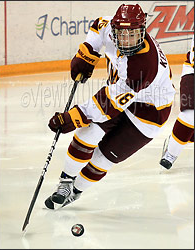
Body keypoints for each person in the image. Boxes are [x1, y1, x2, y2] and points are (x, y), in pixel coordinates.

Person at [44, 3, 175, 209]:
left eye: (132, 34)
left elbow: (105, 105)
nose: (126, 40)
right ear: (115, 29)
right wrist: (87, 53)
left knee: (104, 157)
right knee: (87, 134)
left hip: (149, 112)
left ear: (142, 31)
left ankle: (75, 191)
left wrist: (71, 118)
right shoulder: (110, 27)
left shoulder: (143, 66)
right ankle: (65, 183)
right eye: (121, 34)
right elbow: (97, 25)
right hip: (120, 94)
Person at [160, 37, 194, 169]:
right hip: (192, 72)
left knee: (188, 131)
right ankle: (171, 153)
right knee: (190, 115)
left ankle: (183, 135)